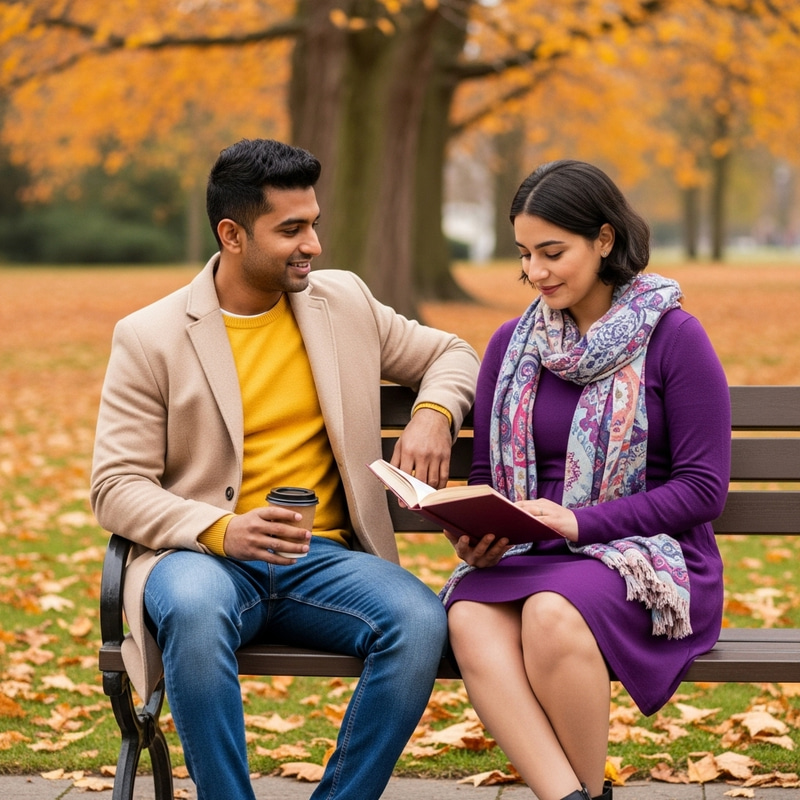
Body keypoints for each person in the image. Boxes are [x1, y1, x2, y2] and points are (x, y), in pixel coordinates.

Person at [90, 138, 479, 800]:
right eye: (291, 229)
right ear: (232, 235)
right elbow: (115, 488)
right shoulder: (149, 336)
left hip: (325, 561)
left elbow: (453, 351)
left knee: (418, 622)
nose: (313, 245)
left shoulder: (343, 302)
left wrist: (432, 413)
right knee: (191, 604)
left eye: (314, 224)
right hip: (200, 559)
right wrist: (221, 529)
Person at [440, 160, 730, 800]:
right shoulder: (510, 345)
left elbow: (704, 489)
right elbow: (489, 476)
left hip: (648, 558)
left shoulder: (673, 337)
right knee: (468, 616)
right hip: (530, 550)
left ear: (603, 239)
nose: (535, 272)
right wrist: (477, 535)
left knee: (550, 613)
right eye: (524, 254)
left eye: (552, 252)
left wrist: (581, 523)